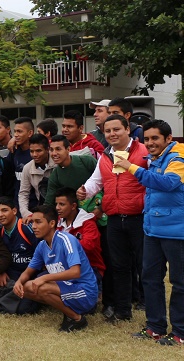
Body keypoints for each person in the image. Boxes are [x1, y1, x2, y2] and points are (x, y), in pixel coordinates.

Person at [117, 119, 184, 345]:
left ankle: (180, 332)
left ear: (168, 138)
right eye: (146, 139)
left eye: (155, 138)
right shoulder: (155, 158)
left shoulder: (178, 157)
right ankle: (155, 327)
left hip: (177, 232)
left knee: (180, 282)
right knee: (150, 278)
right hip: (153, 229)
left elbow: (168, 183)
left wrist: (132, 167)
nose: (150, 143)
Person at [79, 114, 148, 323]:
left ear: (127, 129)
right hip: (115, 219)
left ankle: (150, 309)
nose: (112, 134)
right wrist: (85, 190)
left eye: (116, 129)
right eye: (107, 131)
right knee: (119, 266)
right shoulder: (105, 156)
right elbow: (96, 181)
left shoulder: (144, 152)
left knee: (145, 266)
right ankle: (122, 311)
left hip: (140, 218)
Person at [14, 205, 98, 332]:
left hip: (85, 291)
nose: (34, 226)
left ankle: (77, 319)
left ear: (52, 223)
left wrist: (45, 278)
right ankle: (68, 309)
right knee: (25, 288)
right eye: (32, 222)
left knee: (42, 287)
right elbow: (28, 271)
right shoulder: (41, 246)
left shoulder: (66, 239)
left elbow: (75, 272)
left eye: (38, 222)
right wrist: (19, 282)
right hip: (66, 288)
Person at [55, 188, 106, 280]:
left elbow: (88, 246)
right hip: (65, 268)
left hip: (91, 269)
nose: (57, 208)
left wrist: (62, 247)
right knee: (36, 283)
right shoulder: (58, 222)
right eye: (56, 204)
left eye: (61, 204)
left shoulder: (88, 223)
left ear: (73, 206)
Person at [44, 135, 97, 206]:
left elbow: (104, 181)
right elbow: (49, 203)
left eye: (58, 149)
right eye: (51, 150)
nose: (54, 153)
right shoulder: (55, 176)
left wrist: (100, 208)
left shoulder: (87, 161)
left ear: (68, 149)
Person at [19, 134, 56, 219]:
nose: (34, 154)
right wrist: (26, 213)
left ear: (47, 149)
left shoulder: (57, 163)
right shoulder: (27, 168)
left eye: (38, 151)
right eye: (31, 151)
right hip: (43, 211)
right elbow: (23, 193)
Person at [10, 117, 35, 207]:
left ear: (30, 133)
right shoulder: (14, 151)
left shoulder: (36, 154)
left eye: (19, 131)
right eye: (15, 131)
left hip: (34, 204)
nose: (16, 135)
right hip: (18, 204)